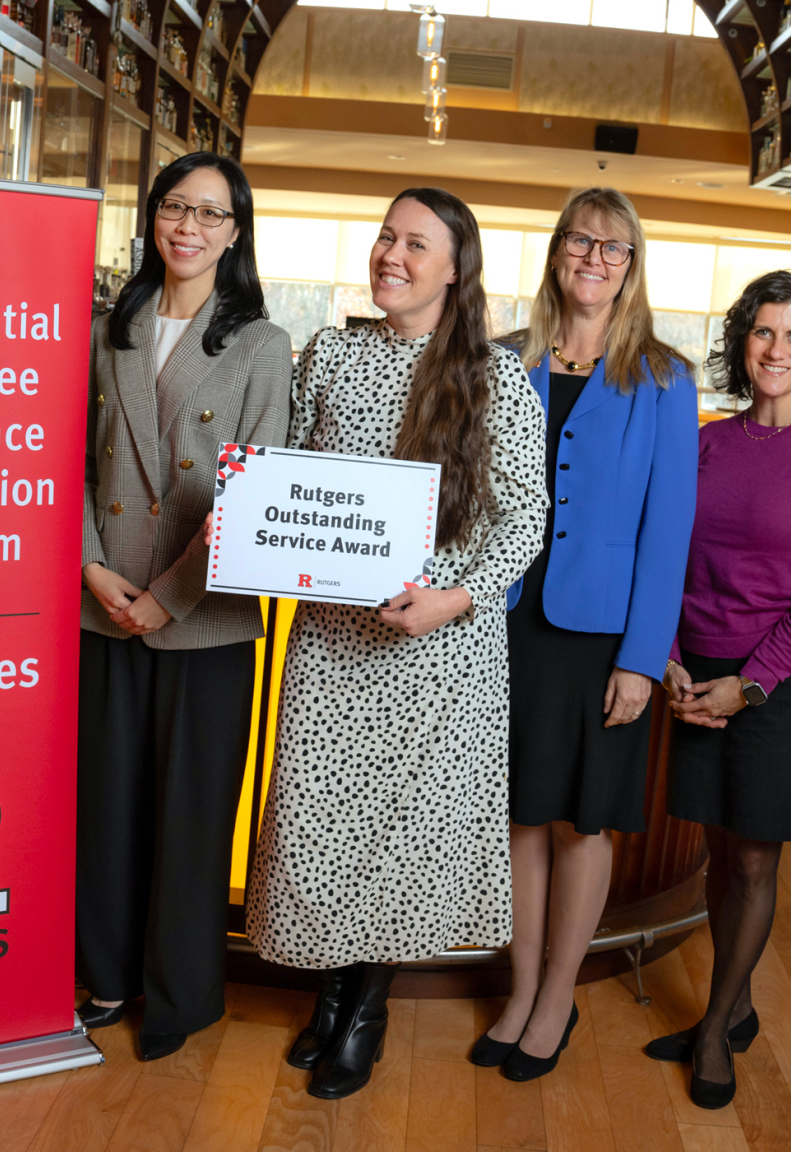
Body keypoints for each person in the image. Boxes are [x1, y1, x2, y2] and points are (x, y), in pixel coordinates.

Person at [246, 187, 548, 1100]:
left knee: (400, 833)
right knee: (323, 823)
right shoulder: (330, 352)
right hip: (334, 641)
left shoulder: (496, 379)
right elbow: (283, 473)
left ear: (455, 268)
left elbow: (527, 515)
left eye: (416, 244)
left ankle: (363, 1009)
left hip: (439, 652)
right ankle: (334, 991)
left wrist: (454, 598)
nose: (392, 254)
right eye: (386, 237)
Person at [472, 188, 698, 1082]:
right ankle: (521, 989)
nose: (595, 259)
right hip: (504, 620)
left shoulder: (664, 379)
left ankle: (559, 997)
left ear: (633, 265)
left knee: (581, 824)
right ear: (557, 252)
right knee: (521, 817)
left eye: (615, 248)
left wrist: (644, 659)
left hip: (603, 635)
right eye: (580, 241)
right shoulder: (499, 361)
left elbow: (667, 527)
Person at [76, 152, 293, 1063]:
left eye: (210, 213)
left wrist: (168, 598)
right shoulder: (102, 327)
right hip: (101, 603)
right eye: (175, 207)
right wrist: (90, 568)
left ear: (235, 232)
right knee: (106, 804)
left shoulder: (262, 343)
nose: (189, 227)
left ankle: (179, 993)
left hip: (205, 615)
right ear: (153, 218)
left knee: (192, 814)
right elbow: (59, 463)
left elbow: (260, 489)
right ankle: (106, 975)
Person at [649, 270, 791, 1109]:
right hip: (697, 668)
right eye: (763, 332)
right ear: (741, 343)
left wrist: (750, 685)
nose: (776, 350)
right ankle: (733, 1003)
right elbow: (667, 552)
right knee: (717, 844)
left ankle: (713, 1033)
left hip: (782, 680)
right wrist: (670, 656)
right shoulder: (709, 442)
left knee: (753, 854)